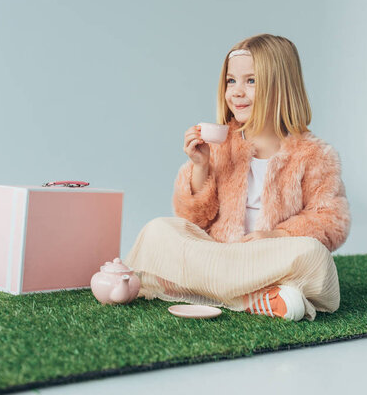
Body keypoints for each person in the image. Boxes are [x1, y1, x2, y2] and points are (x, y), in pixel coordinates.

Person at [124, 34, 351, 322]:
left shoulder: (315, 155)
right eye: (231, 81)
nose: (237, 92)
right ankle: (256, 298)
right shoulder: (220, 145)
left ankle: (207, 288)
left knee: (314, 255)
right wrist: (201, 166)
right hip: (218, 254)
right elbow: (193, 221)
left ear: (281, 86)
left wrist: (275, 236)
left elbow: (331, 221)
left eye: (251, 81)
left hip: (264, 260)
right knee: (159, 229)